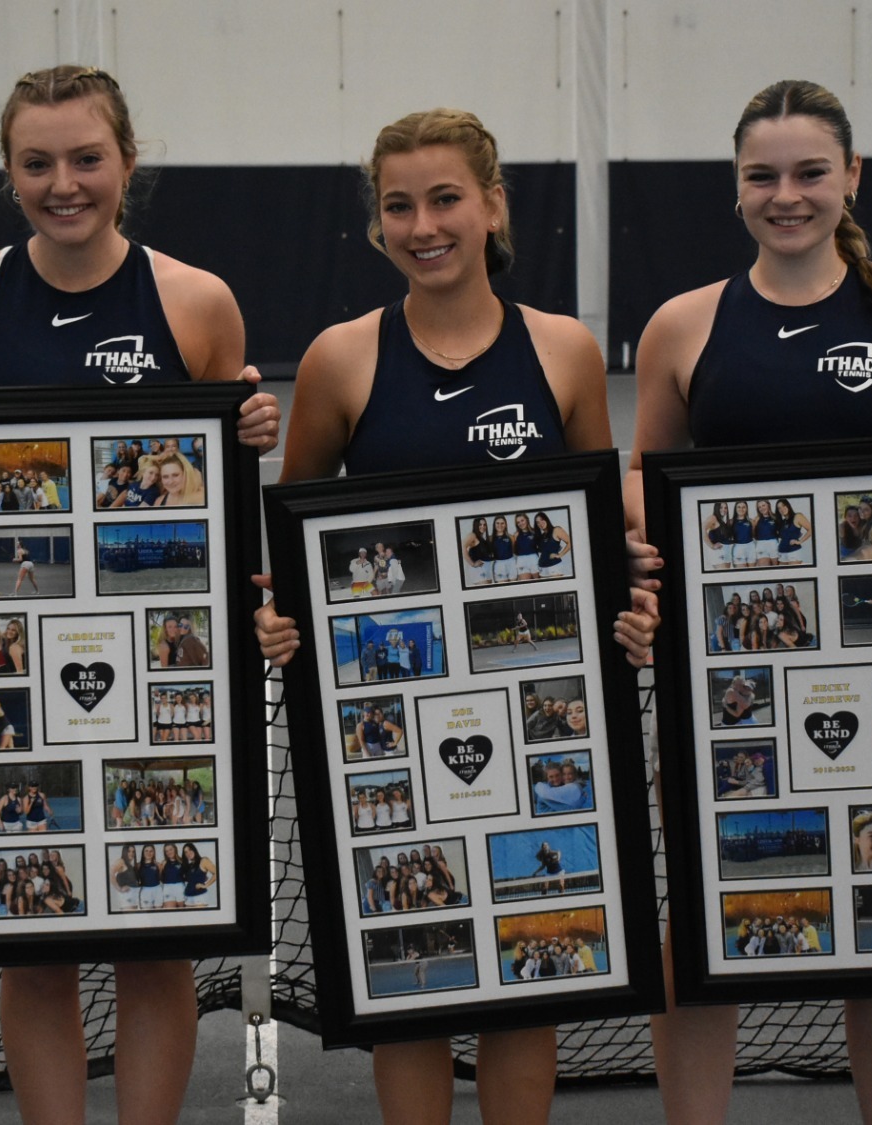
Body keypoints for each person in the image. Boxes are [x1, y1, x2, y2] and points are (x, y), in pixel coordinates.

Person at [0, 64, 282, 1125]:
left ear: (126, 164)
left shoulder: (195, 302)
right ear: (10, 174)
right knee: (31, 946)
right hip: (5, 680)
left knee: (156, 946)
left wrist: (246, 438)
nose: (64, 183)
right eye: (37, 162)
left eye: (85, 158)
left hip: (161, 675)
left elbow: (221, 494)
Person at [622, 80, 872, 1125]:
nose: (785, 195)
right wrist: (644, 540)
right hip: (726, 685)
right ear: (735, 190)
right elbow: (642, 477)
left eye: (809, 172)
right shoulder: (684, 325)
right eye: (761, 176)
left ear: (850, 178)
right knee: (707, 922)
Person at [252, 108, 657, 1125]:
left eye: (443, 200)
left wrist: (631, 607)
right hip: (385, 733)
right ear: (377, 223)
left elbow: (600, 541)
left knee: (528, 971)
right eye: (398, 206)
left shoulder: (562, 352)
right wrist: (281, 622)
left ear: (490, 207)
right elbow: (292, 548)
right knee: (415, 970)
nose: (422, 224)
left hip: (538, 726)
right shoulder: (341, 360)